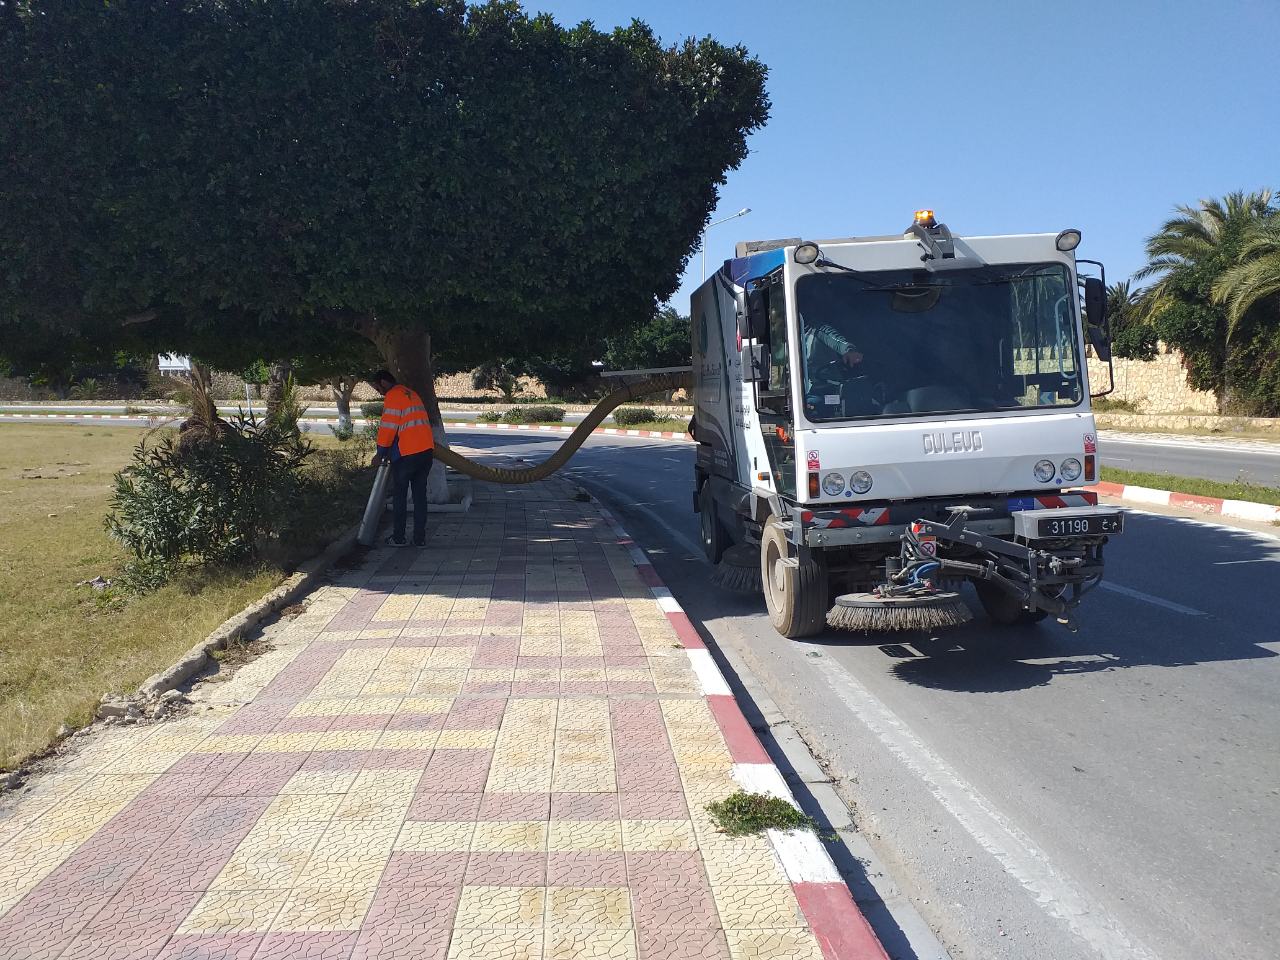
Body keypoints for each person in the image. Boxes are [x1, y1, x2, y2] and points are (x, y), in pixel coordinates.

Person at [370, 370, 435, 547]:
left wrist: (380, 453)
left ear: (383, 382)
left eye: (377, 388)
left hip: (407, 454)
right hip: (426, 452)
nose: (378, 392)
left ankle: (398, 537)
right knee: (420, 497)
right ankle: (419, 538)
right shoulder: (411, 393)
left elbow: (388, 428)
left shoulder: (392, 396)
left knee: (400, 497)